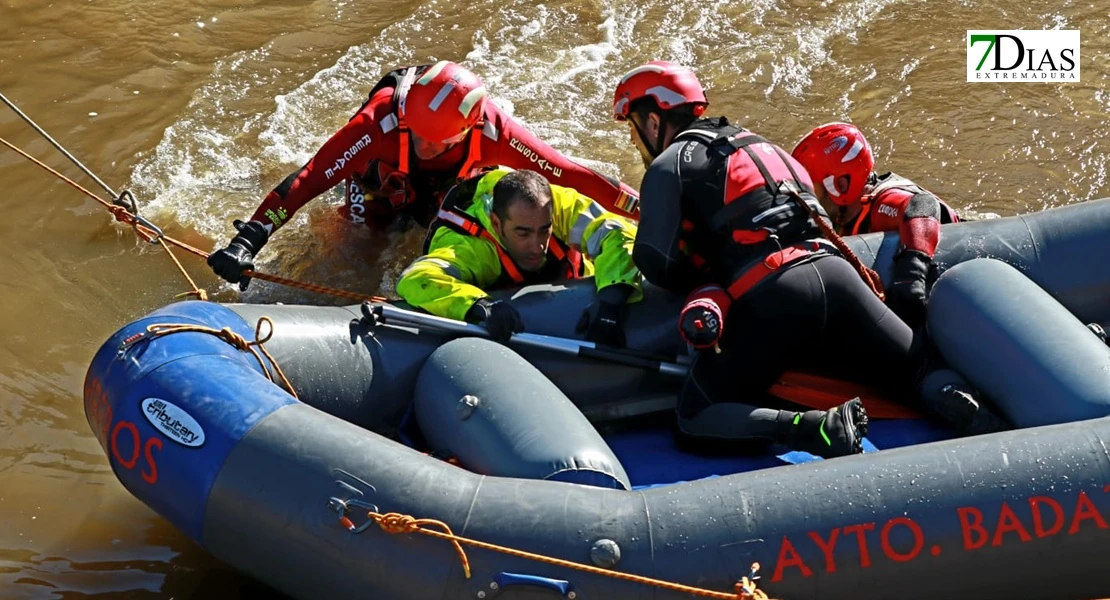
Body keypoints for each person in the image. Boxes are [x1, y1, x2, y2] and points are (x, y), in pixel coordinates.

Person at [611, 61, 984, 458]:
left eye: (634, 132)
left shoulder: (672, 162)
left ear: (653, 121)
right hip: (839, 277)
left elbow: (657, 262)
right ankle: (976, 414)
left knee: (696, 414)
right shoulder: (767, 146)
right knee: (920, 371)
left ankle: (817, 429)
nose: (637, 144)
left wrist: (708, 282)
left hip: (776, 295)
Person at [208, 61, 640, 289]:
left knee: (445, 235)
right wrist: (248, 240)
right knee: (355, 253)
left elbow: (571, 174)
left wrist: (643, 209)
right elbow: (311, 177)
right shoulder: (379, 123)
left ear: (470, 130)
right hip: (381, 184)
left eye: (438, 143)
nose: (423, 147)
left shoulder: (496, 132)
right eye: (417, 135)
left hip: (448, 187)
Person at [396, 168, 641, 347]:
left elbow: (619, 232)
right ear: (497, 224)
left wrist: (611, 301)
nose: (537, 246)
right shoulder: (470, 247)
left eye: (545, 230)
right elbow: (416, 277)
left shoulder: (558, 205)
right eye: (522, 233)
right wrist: (480, 305)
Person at [791, 122, 960, 327]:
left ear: (841, 186)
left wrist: (912, 273)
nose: (806, 199)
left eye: (811, 189)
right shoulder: (838, 216)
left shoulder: (881, 203)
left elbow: (923, 203)